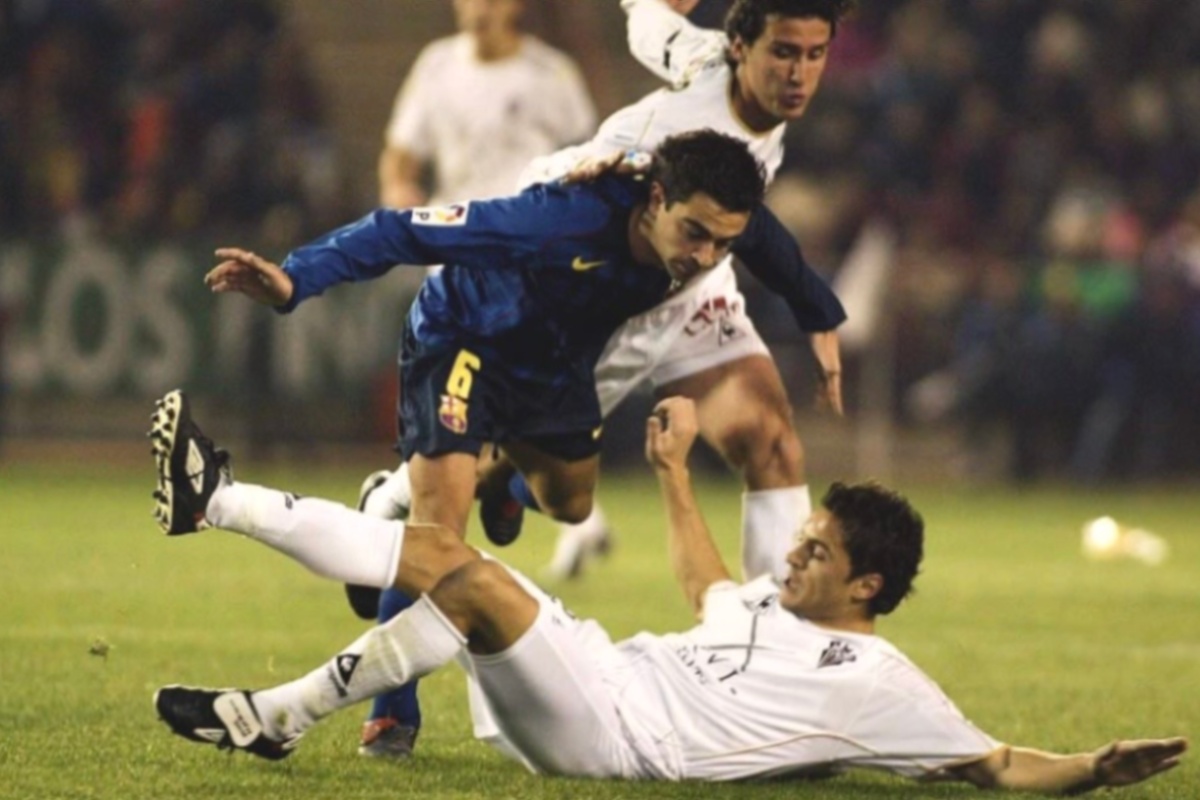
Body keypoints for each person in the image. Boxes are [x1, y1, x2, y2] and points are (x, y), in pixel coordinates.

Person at [146, 392, 1187, 791]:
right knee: (433, 553)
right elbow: (706, 583)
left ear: (865, 583)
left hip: (619, 737)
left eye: (815, 551)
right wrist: (680, 469)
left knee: (454, 566)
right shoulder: (769, 610)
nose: (793, 556)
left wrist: (1094, 765)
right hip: (594, 675)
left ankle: (218, 501)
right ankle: (279, 715)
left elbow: (996, 762)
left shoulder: (878, 678)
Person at [359, 0, 850, 592]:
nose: (798, 74)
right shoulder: (666, 132)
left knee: (770, 438)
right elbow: (555, 185)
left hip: (692, 284)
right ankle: (389, 505)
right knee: (536, 475)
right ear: (743, 48)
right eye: (784, 53)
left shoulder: (704, 57)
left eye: (813, 55)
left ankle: (777, 646)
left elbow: (647, 19)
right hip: (605, 299)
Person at [366, 0, 596, 758]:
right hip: (458, 302)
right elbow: (400, 161)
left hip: (539, 309)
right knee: (436, 523)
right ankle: (392, 710)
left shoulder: (552, 77)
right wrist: (408, 218)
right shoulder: (436, 67)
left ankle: (500, 480)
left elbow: (591, 170)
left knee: (569, 496)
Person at [377, 0, 595, 210]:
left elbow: (584, 150)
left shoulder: (551, 71)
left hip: (526, 222)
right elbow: (402, 150)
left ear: (515, 5)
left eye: (492, 2)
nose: (479, 10)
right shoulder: (436, 64)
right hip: (456, 220)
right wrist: (397, 187)